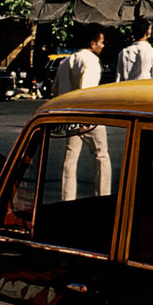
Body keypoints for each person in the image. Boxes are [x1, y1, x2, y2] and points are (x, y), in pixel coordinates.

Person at [53, 25, 109, 200]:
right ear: (92, 43)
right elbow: (87, 92)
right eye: (101, 42)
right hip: (86, 115)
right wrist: (86, 119)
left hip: (69, 115)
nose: (103, 46)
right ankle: (103, 196)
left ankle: (67, 198)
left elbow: (55, 91)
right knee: (101, 155)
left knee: (70, 158)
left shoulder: (65, 62)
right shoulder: (91, 61)